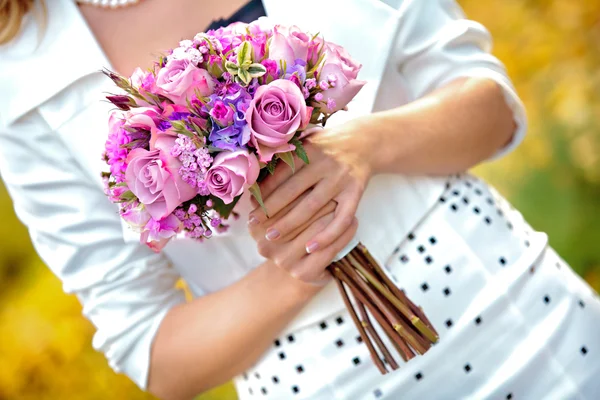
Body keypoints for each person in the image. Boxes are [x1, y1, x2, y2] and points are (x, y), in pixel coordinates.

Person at [1, 0, 599, 399]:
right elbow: (152, 352)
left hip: (519, 308)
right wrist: (291, 270)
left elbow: (492, 112)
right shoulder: (18, 78)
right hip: (325, 381)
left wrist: (367, 144)